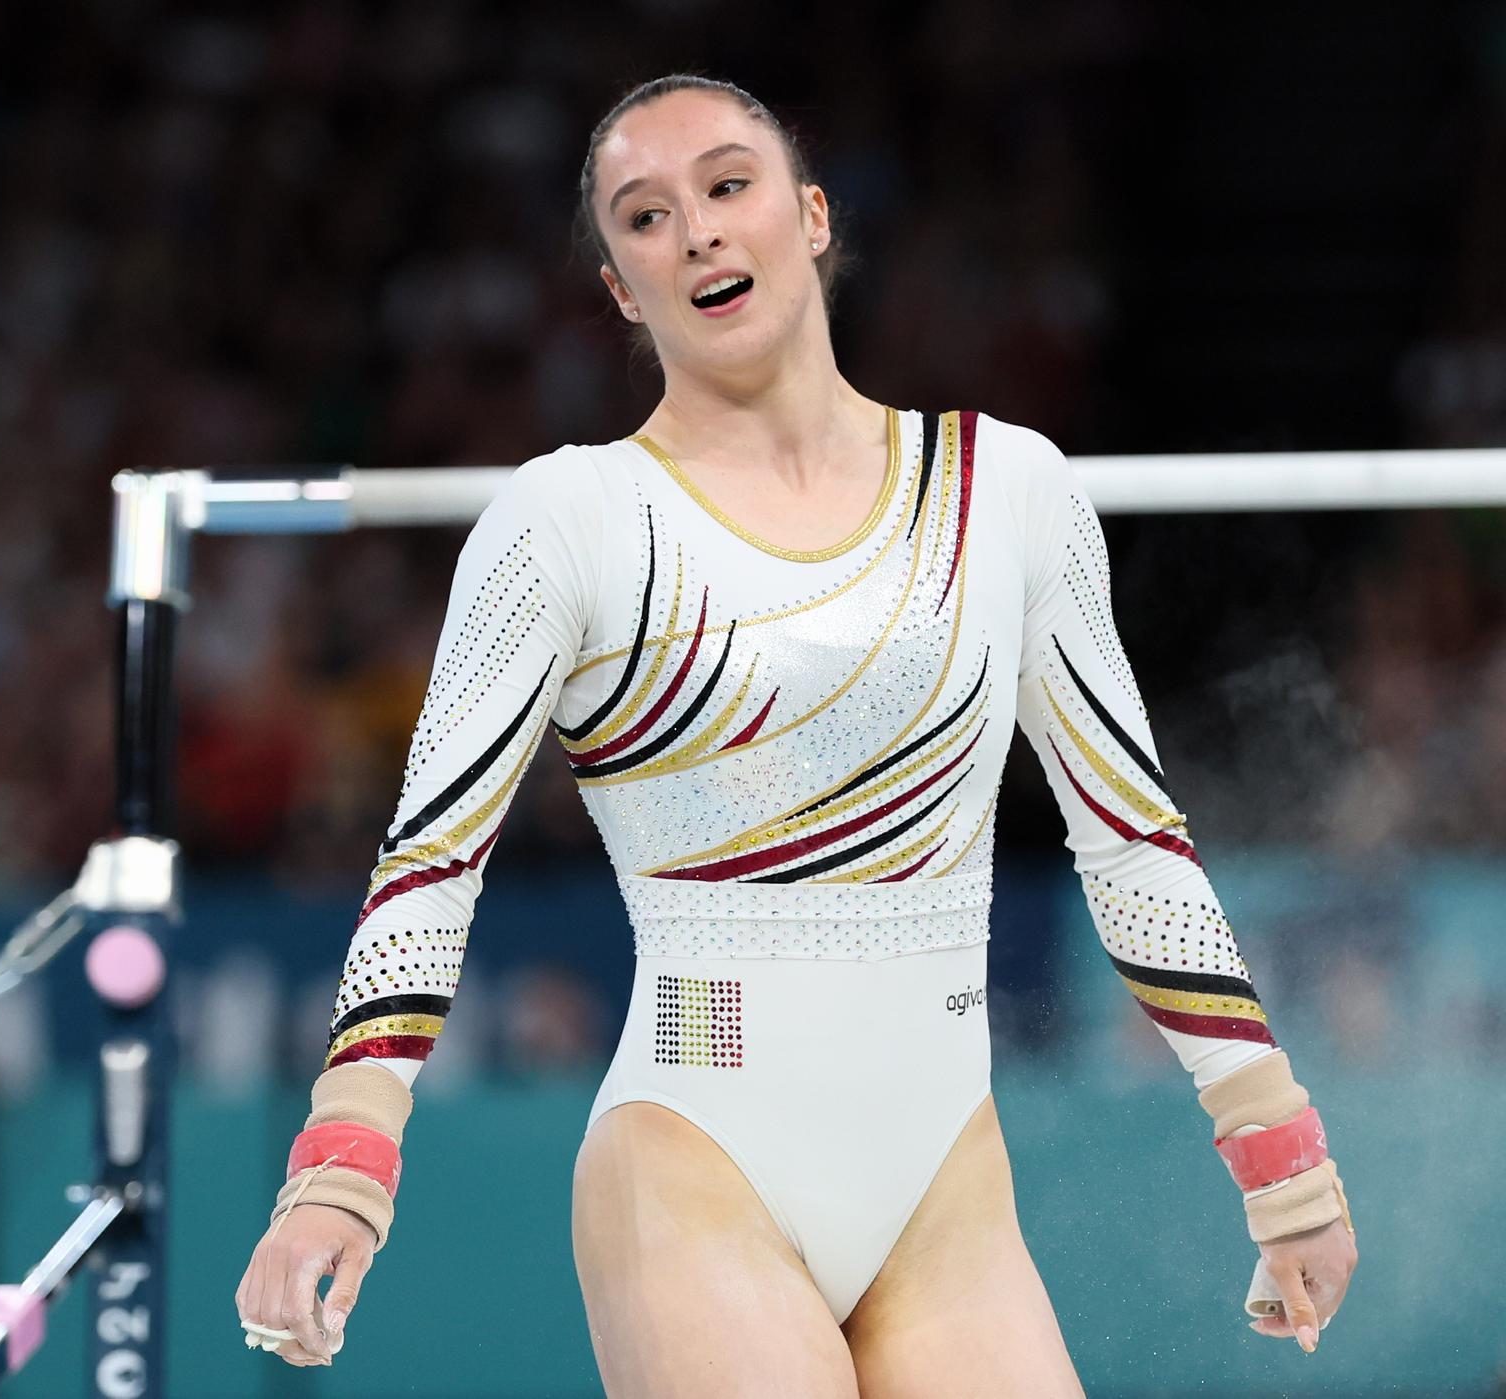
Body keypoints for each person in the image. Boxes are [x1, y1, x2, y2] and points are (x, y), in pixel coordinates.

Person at [235, 74, 1358, 1395]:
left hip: (944, 1184)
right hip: (696, 1156)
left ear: (811, 216)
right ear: (617, 289)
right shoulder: (567, 524)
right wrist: (342, 1164)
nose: (698, 231)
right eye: (645, 217)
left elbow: (1133, 844)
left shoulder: (1012, 491)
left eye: (727, 185)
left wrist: (1276, 1146)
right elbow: (430, 865)